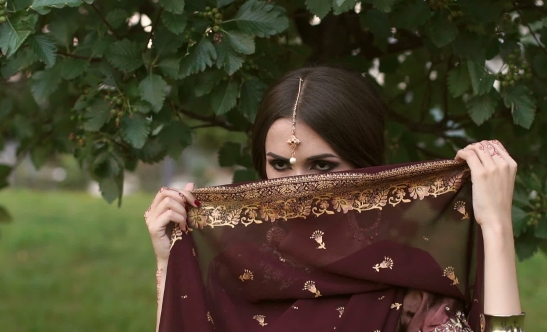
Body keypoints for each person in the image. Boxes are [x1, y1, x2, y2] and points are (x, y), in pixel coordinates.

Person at [144, 66, 523, 331]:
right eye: (280, 165)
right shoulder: (233, 270)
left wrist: (497, 226)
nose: (297, 188)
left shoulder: (409, 278)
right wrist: (169, 261)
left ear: (365, 169)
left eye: (322, 167)